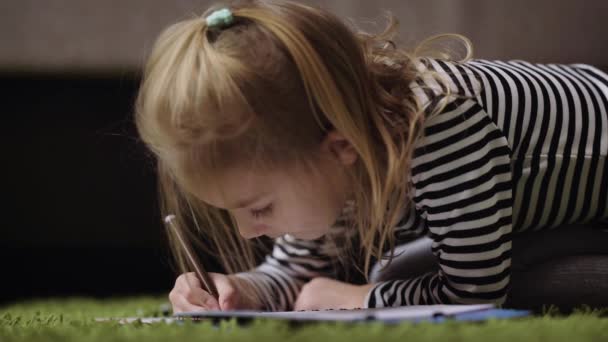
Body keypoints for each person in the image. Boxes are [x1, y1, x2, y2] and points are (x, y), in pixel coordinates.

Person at [134, 0, 608, 313]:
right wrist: (240, 289)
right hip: (551, 219)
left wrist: (356, 297)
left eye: (259, 207)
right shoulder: (337, 141)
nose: (246, 231)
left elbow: (474, 293)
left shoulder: (441, 125)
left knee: (531, 284)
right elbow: (296, 272)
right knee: (401, 273)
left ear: (338, 148)